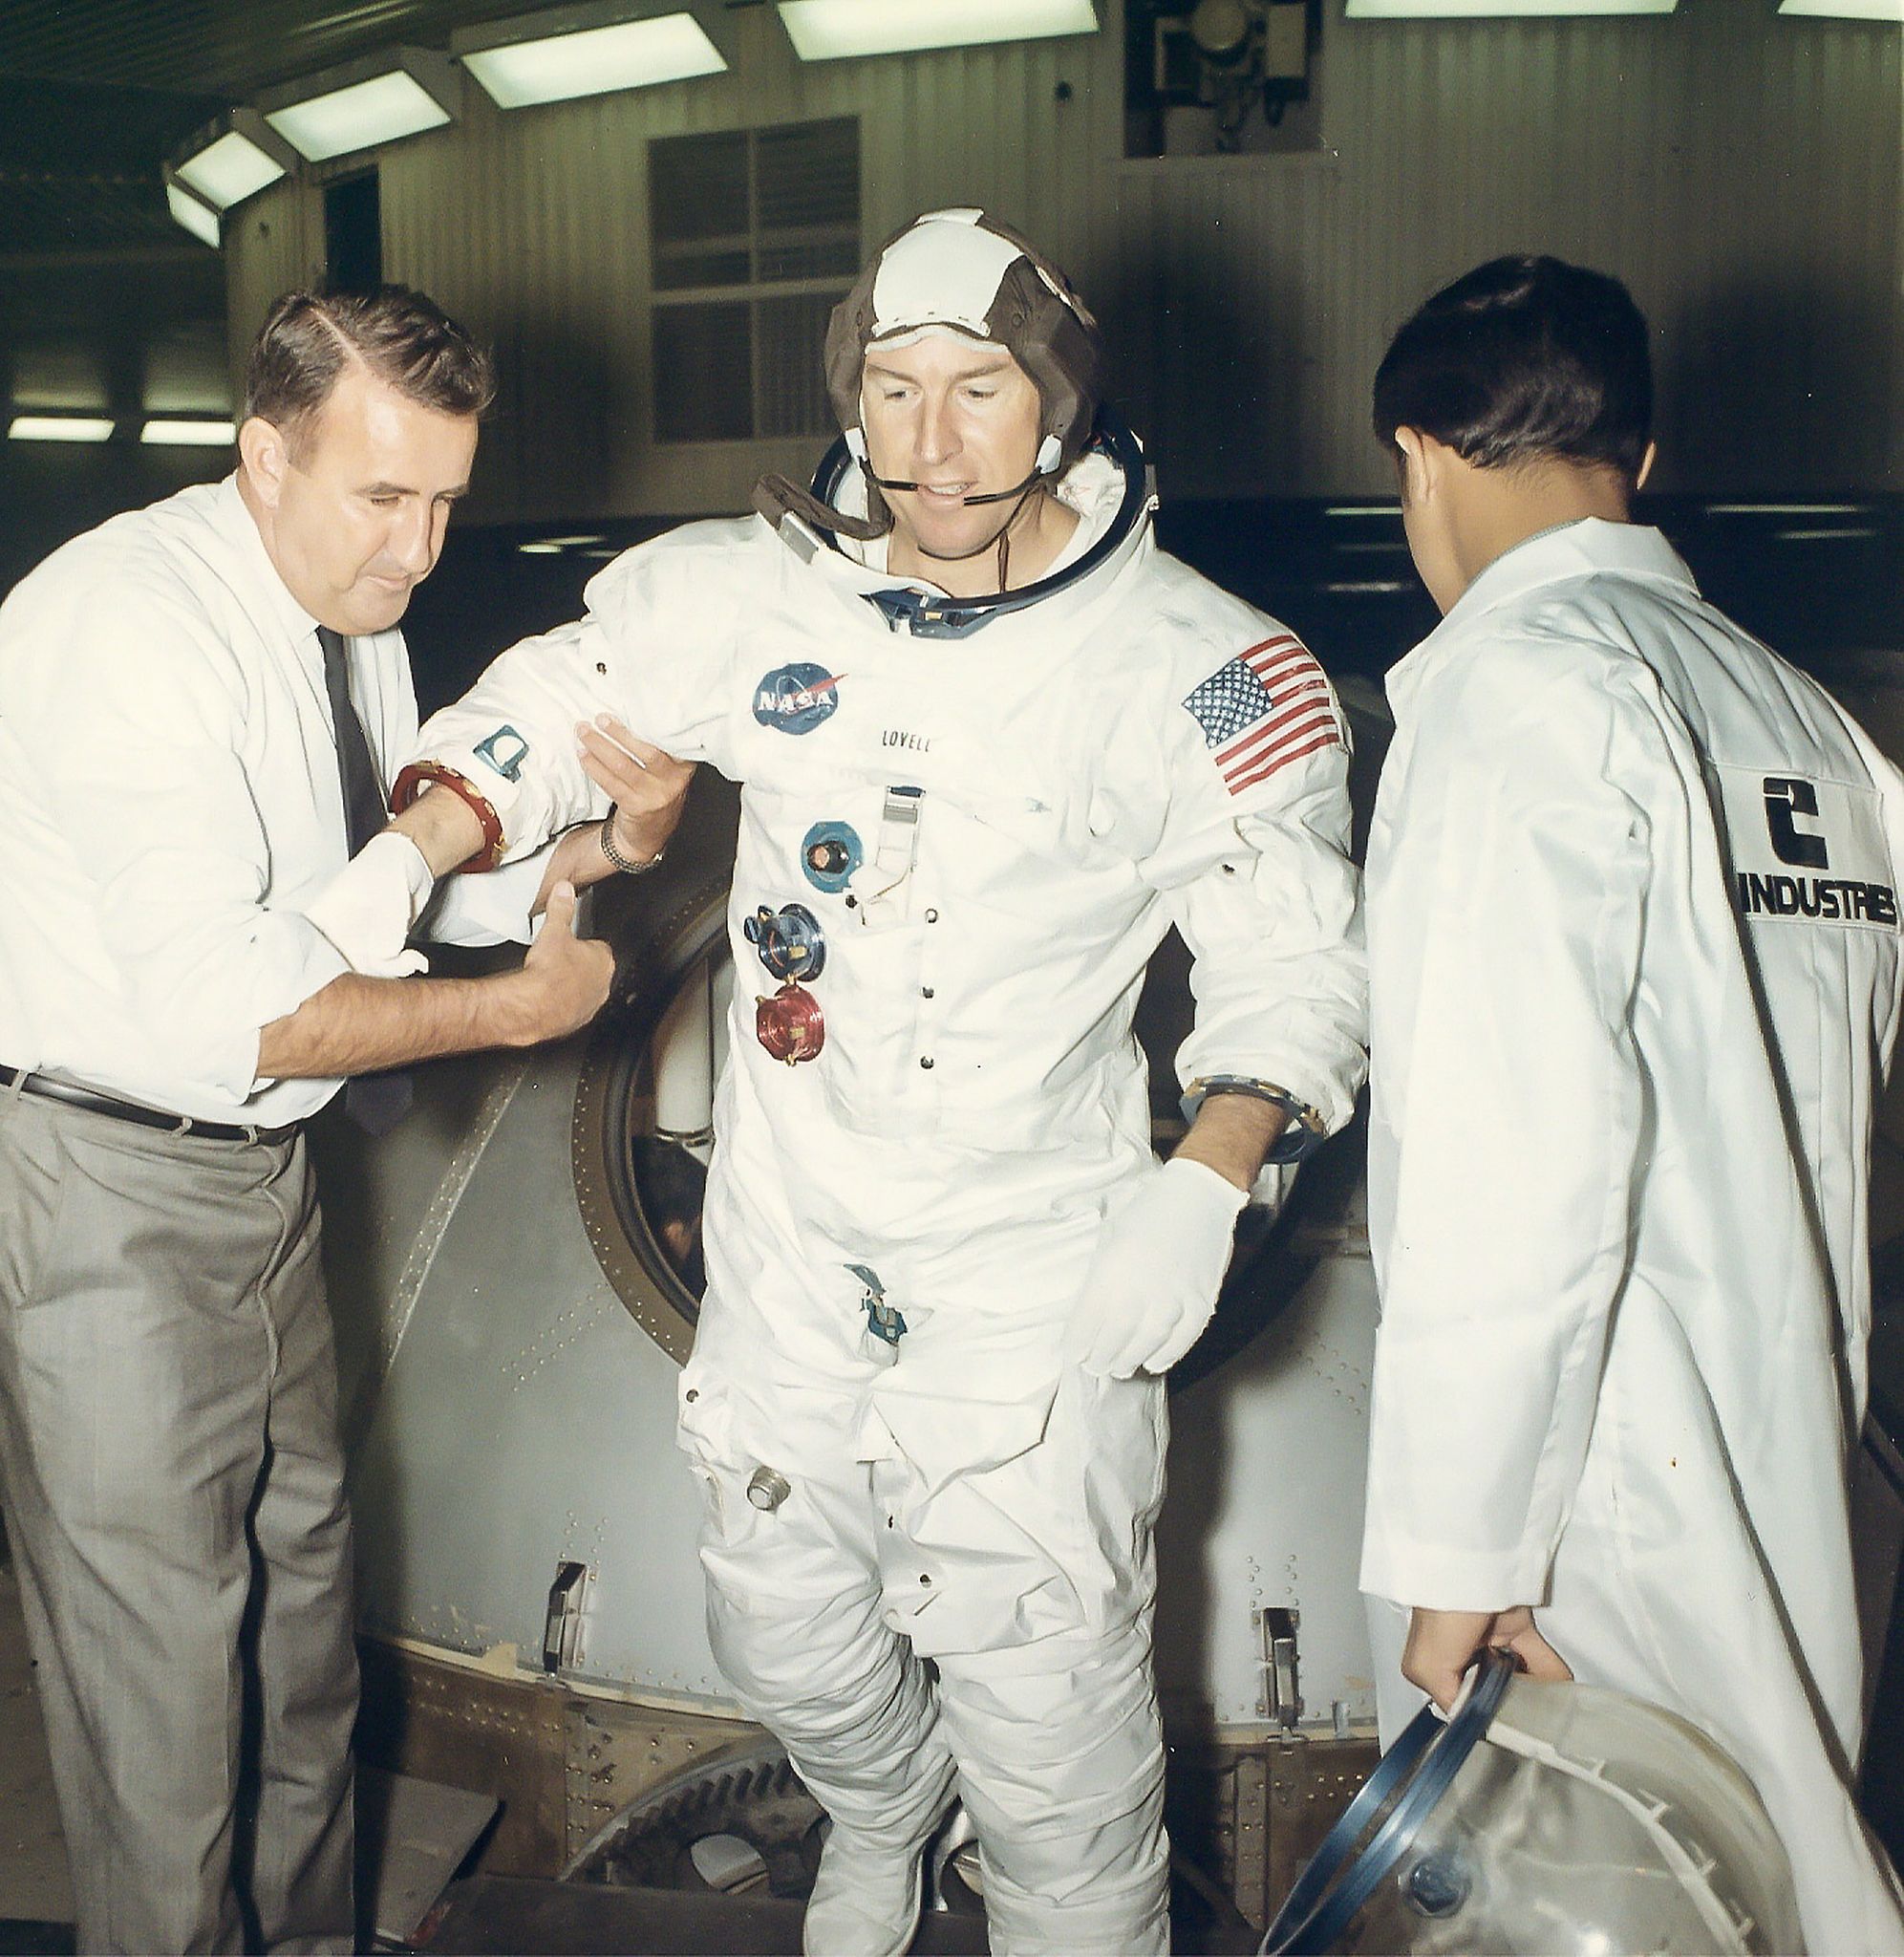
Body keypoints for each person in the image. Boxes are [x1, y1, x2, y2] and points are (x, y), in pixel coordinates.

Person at [377, 209, 1367, 1955]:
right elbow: (549, 701)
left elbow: (1292, 956)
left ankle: (1034, 1873)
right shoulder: (753, 593)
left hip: (1029, 1274)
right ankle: (879, 1803)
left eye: (978, 390)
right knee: (786, 1638)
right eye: (895, 392)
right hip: (791, 1251)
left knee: (1055, 1743)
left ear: (1053, 405)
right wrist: (415, 854)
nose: (930, 444)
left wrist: (1209, 1174)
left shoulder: (1202, 668)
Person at [0, 284, 689, 1954]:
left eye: (447, 500)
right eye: (384, 497)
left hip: (269, 1181)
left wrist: (607, 850)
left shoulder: (349, 614)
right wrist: (519, 1015)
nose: (419, 550)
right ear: (263, 451)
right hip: (109, 1180)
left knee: (300, 1637)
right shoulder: (128, 627)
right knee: (165, 1698)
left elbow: (390, 917)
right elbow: (249, 1014)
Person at [1358, 252, 1904, 1953]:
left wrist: (1463, 1547)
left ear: (1417, 453)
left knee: (1611, 1899)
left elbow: (1509, 1156)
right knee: (1776, 1870)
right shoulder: (1813, 727)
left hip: (1587, 1496)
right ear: (1639, 466)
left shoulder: (1518, 692)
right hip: (1788, 1447)